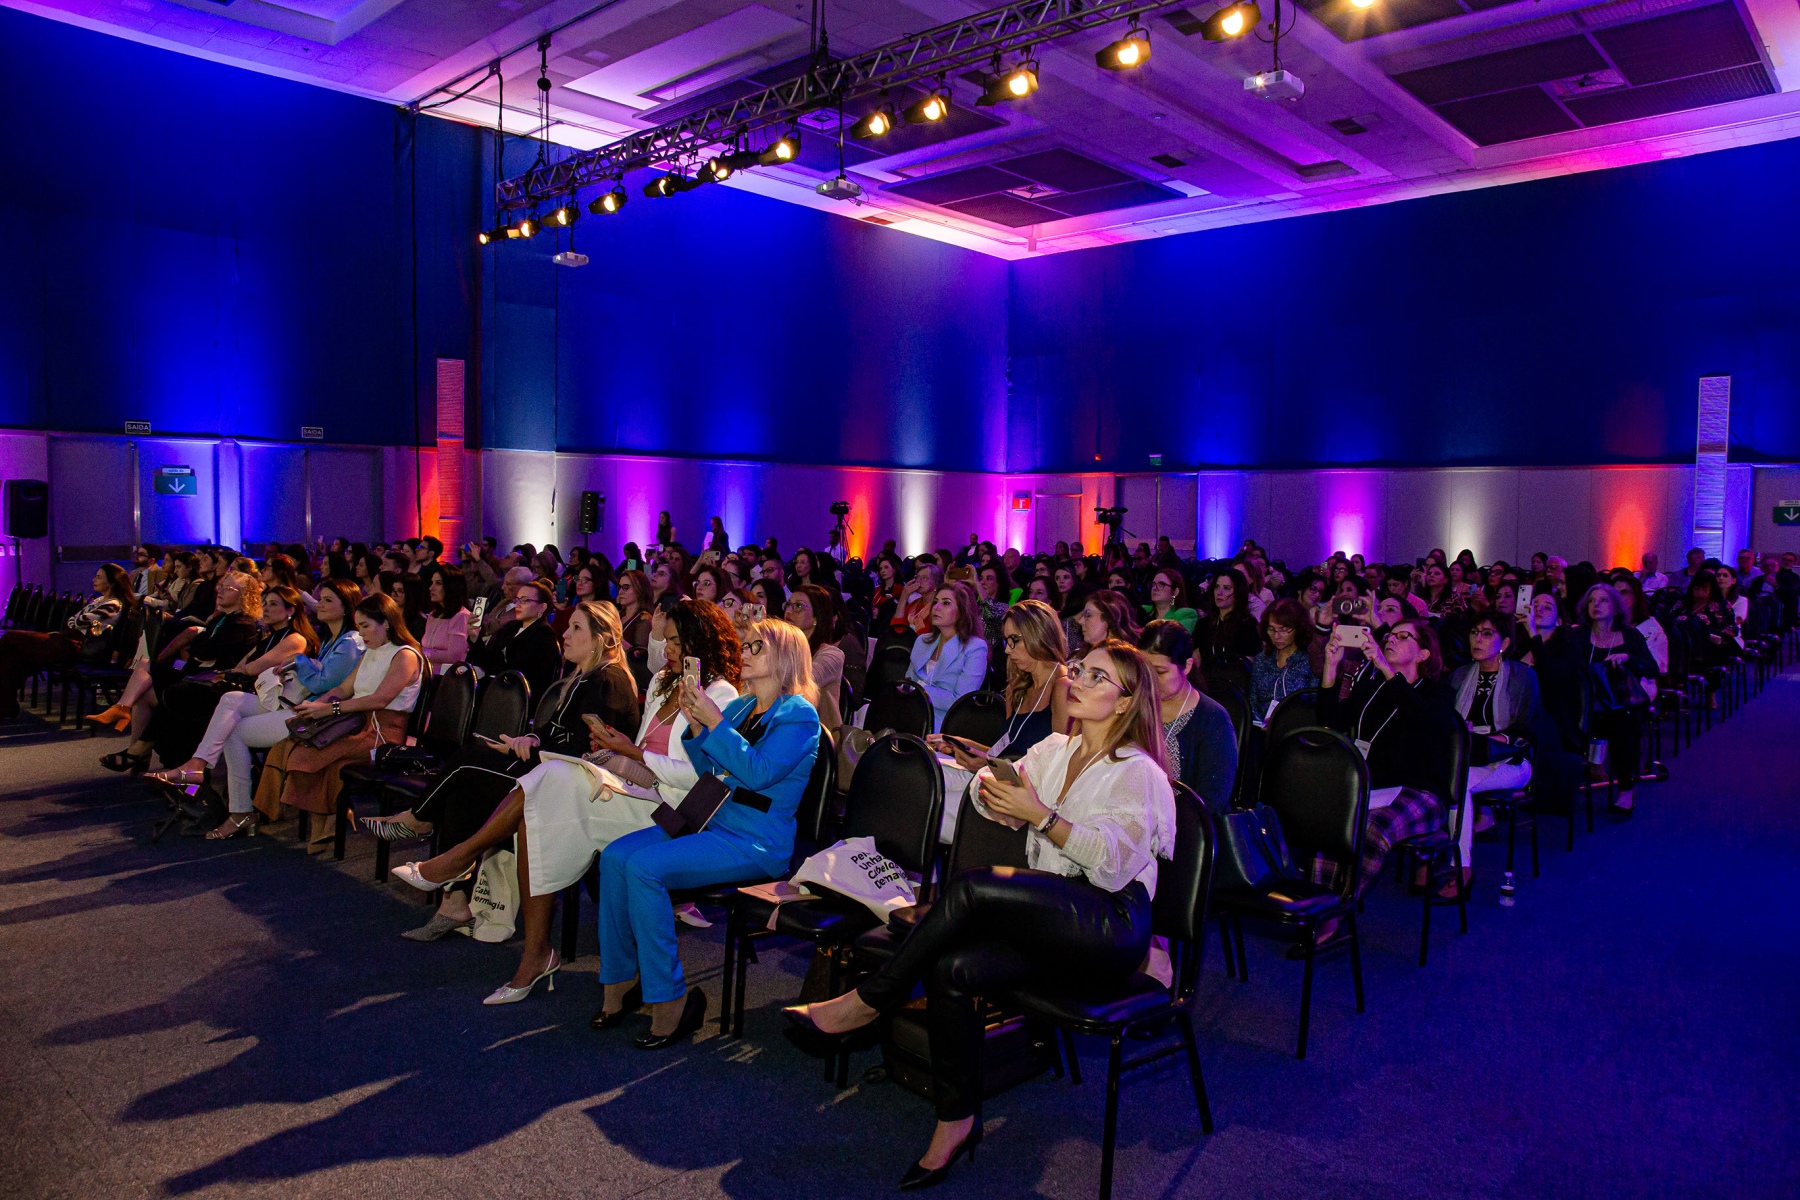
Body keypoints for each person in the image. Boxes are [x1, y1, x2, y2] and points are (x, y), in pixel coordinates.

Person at [787, 639, 1175, 1188]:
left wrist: (1040, 817)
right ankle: (956, 1118)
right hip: (1055, 914)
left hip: (1110, 925)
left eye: (1097, 677)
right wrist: (995, 785)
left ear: (1127, 701)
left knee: (974, 889)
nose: (1078, 681)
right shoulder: (1056, 750)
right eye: (1080, 669)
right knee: (953, 969)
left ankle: (869, 1000)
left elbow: (1112, 864)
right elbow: (983, 797)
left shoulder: (1137, 772)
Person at [582, 618, 820, 1046]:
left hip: (755, 841)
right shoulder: (743, 707)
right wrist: (697, 727)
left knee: (644, 868)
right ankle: (619, 981)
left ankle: (670, 1000)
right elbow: (707, 770)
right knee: (616, 857)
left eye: (757, 647)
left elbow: (757, 774)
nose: (745, 653)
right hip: (711, 819)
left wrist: (714, 723)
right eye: (745, 645)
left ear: (785, 657)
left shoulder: (799, 715)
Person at [375, 601, 642, 938]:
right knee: (463, 789)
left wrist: (533, 749)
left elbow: (586, 754)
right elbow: (555, 733)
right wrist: (528, 739)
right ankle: (454, 902)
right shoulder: (585, 678)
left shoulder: (608, 682)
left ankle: (419, 819)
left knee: (466, 761)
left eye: (576, 628)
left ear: (601, 639)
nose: (565, 634)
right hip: (551, 773)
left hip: (575, 792)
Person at [1318, 617, 1459, 929]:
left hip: (1421, 793)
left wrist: (1384, 667)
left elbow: (1424, 721)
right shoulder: (1374, 688)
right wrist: (1331, 667)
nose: (1391, 639)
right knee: (1329, 819)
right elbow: (1331, 722)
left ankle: (1335, 912)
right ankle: (1320, 904)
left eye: (1403, 636)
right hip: (1375, 789)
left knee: (1372, 829)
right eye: (1390, 635)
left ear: (1423, 654)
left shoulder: (1438, 694)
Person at [252, 594, 424, 847]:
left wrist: (330, 709)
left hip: (381, 732)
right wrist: (315, 705)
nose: (361, 633)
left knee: (311, 752)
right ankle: (326, 820)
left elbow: (381, 699)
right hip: (355, 722)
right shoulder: (371, 651)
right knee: (296, 745)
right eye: (359, 626)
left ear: (386, 623)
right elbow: (344, 689)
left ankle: (328, 820)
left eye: (365, 626)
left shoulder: (405, 655)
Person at [99, 571, 263, 774]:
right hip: (197, 675)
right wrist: (201, 643)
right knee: (146, 680)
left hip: (214, 684)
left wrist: (200, 644)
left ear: (244, 595)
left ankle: (136, 748)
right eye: (220, 586)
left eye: (227, 588)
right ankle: (136, 749)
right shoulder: (222, 619)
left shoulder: (242, 624)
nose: (219, 591)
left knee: (155, 685)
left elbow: (203, 650)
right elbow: (200, 650)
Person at [142, 584, 316, 773]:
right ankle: (175, 762)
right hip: (254, 691)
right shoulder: (270, 637)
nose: (266, 608)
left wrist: (246, 668)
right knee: (178, 694)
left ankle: (174, 761)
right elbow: (240, 666)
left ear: (291, 610)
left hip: (272, 700)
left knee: (183, 696)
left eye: (273, 604)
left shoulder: (295, 639)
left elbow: (252, 667)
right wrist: (245, 668)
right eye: (265, 603)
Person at [1448, 613, 1550, 851]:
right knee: (1446, 775)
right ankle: (1449, 848)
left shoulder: (1522, 676)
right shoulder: (1459, 675)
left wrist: (1490, 740)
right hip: (1468, 755)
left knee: (1457, 781)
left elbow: (1528, 728)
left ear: (1504, 643)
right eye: (1474, 633)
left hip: (1512, 759)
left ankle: (1458, 861)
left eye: (1486, 634)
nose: (1477, 639)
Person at [932, 599, 1070, 771]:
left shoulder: (1062, 687)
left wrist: (991, 766)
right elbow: (1002, 752)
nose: (1007, 650)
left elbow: (1057, 765)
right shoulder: (1017, 688)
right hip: (1002, 777)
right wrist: (962, 745)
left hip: (1027, 784)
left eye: (1014, 640)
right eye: (1006, 641)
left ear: (1038, 635)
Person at [0, 564, 135, 721]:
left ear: (111, 582)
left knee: (10, 637)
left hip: (75, 644)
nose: (94, 580)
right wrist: (75, 621)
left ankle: (7, 705)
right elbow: (73, 620)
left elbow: (77, 620)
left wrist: (75, 621)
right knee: (12, 658)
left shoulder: (113, 604)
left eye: (99, 577)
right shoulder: (100, 600)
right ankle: (7, 705)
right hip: (65, 639)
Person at [1569, 583, 1656, 814]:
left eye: (1603, 600)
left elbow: (1652, 669)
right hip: (1583, 705)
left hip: (1618, 705)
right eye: (1591, 601)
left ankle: (1626, 789)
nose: (1596, 605)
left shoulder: (1630, 636)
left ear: (1615, 607)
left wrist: (1628, 659)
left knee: (1622, 724)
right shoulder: (1578, 635)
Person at [1138, 620, 1237, 812]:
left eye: (1159, 672)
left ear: (1187, 666)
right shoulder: (1135, 705)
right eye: (1144, 670)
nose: (1149, 680)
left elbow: (1212, 799)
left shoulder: (1212, 719)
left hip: (1185, 823)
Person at [906, 584, 990, 731]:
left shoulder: (975, 647)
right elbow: (907, 683)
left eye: (946, 603)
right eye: (936, 602)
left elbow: (960, 700)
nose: (936, 607)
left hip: (944, 722)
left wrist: (921, 690)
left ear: (962, 611)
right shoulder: (922, 641)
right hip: (911, 710)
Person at [470, 579, 562, 698]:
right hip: (494, 687)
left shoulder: (544, 635)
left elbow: (525, 673)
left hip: (516, 696)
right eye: (517, 600)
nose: (517, 605)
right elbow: (485, 660)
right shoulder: (511, 627)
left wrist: (495, 671)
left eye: (524, 600)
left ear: (542, 607)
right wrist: (474, 636)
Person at [784, 583, 845, 733]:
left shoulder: (832, 655)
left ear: (816, 618)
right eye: (788, 605)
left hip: (819, 737)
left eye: (798, 606)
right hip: (787, 727)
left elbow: (799, 685)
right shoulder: (783, 648)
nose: (789, 611)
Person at [1248, 598, 1320, 722]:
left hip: (1297, 727)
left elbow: (1314, 705)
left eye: (1284, 630)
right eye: (1272, 629)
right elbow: (1252, 701)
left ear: (1298, 628)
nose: (1277, 636)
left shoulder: (1309, 660)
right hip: (1261, 727)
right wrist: (1260, 723)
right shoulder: (1261, 659)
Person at [1194, 569, 1260, 666]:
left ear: (1238, 592)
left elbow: (1251, 660)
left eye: (1226, 588)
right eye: (1217, 587)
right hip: (1206, 674)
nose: (1219, 592)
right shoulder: (1203, 624)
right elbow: (1196, 659)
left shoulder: (1248, 624)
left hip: (1236, 674)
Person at [420, 565, 470, 672]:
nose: (431, 588)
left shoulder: (461, 616)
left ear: (451, 587)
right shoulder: (433, 615)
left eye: (438, 583)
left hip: (446, 676)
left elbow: (453, 656)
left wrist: (423, 653)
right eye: (432, 582)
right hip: (426, 672)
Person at [1073, 588, 1140, 651]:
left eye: (1088, 615)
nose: (1080, 621)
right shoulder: (1078, 654)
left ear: (1109, 619)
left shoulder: (1126, 657)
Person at [1144, 568, 1198, 634]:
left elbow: (1176, 638)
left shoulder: (1186, 614)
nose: (1154, 588)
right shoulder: (1143, 610)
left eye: (1161, 584)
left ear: (1175, 592)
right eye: (1153, 584)